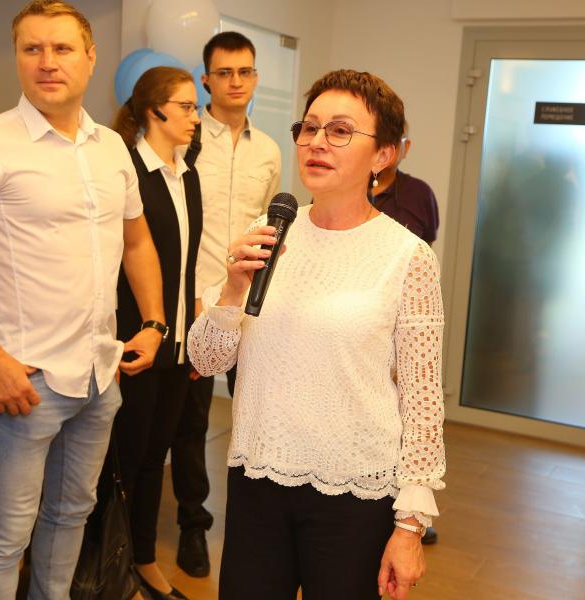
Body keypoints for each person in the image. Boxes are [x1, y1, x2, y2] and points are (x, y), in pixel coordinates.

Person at [188, 69, 445, 600]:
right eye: (309, 128)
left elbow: (423, 401)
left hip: (354, 493)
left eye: (340, 131)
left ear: (383, 154)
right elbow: (206, 361)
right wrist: (232, 290)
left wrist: (410, 526)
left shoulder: (407, 256)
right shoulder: (268, 230)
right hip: (256, 477)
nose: (317, 143)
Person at [0, 2, 165, 598]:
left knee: (71, 517)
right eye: (31, 49)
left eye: (62, 48)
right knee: (3, 535)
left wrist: (154, 322)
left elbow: (137, 241)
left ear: (90, 58)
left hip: (99, 374)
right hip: (25, 381)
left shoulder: (111, 147)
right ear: (17, 58)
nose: (46, 62)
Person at [171, 30, 281, 579]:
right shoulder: (186, 141)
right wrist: (189, 298)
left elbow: (272, 229)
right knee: (190, 423)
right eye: (224, 73)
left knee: (254, 413)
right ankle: (192, 524)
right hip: (195, 301)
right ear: (206, 80)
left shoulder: (270, 150)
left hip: (250, 305)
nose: (236, 82)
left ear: (255, 77)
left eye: (245, 72)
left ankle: (254, 524)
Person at [110, 66, 202, 600]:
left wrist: (192, 335)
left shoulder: (187, 173)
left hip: (178, 341)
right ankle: (111, 567)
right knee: (125, 461)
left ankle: (142, 560)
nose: (195, 117)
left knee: (154, 459)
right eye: (186, 106)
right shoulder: (128, 171)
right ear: (154, 111)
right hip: (135, 340)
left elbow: (186, 266)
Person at [370, 122, 441, 546]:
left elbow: (426, 251)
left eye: (395, 145)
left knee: (415, 411)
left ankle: (413, 509)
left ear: (402, 148)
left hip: (407, 319)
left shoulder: (419, 195)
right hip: (361, 325)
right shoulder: (344, 191)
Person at [370, 122, 440, 245]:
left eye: (394, 141)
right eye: (381, 140)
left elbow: (425, 249)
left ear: (406, 147)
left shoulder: (420, 193)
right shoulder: (347, 186)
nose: (387, 149)